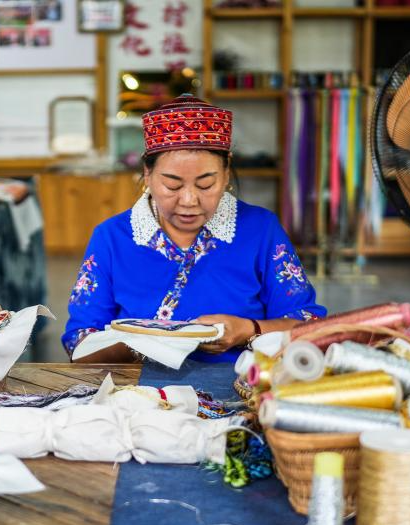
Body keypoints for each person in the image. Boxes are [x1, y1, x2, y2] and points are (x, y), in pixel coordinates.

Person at [62, 94, 326, 363]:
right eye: (172, 185)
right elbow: (79, 343)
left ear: (226, 172)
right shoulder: (111, 238)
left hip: (240, 384)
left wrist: (248, 329)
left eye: (205, 185)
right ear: (148, 174)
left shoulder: (261, 230)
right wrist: (138, 343)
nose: (189, 200)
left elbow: (311, 326)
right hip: (137, 388)